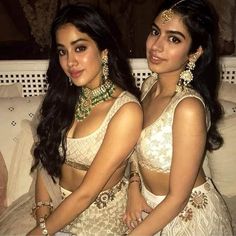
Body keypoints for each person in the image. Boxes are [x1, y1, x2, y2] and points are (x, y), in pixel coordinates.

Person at [27, 3, 143, 236]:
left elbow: (87, 192)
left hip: (99, 224)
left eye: (79, 48)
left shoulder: (125, 111)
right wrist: (42, 212)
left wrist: (41, 233)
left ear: (104, 51)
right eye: (62, 51)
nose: (70, 62)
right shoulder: (62, 99)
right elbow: (46, 159)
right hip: (55, 212)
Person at [123, 0, 234, 235]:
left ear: (195, 52)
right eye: (155, 32)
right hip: (147, 206)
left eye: (173, 39)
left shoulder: (188, 108)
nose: (156, 46)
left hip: (186, 219)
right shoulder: (149, 85)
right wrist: (134, 186)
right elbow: (134, 147)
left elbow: (178, 198)